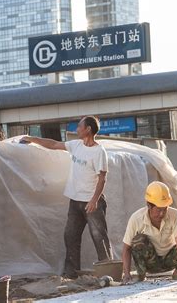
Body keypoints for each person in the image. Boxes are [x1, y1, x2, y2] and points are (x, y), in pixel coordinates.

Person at [21, 116, 112, 279]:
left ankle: (109, 273)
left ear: (88, 129)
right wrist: (31, 139)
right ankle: (71, 273)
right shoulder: (76, 145)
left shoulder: (99, 152)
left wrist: (94, 200)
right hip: (75, 201)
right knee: (70, 235)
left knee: (99, 237)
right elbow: (54, 144)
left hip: (92, 202)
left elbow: (102, 178)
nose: (77, 129)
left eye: (79, 126)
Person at [121, 181, 177, 284]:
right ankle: (141, 275)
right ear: (149, 206)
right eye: (159, 209)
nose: (162, 213)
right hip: (150, 263)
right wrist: (127, 274)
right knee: (139, 240)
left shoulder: (174, 215)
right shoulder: (136, 219)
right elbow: (126, 249)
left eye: (165, 209)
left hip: (169, 259)